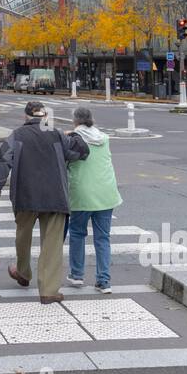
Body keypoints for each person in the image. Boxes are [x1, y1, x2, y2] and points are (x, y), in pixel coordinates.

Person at [0, 100, 89, 303]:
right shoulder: (57, 134)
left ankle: (23, 272)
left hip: (25, 194)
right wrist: (75, 136)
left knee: (23, 236)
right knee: (52, 243)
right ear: (44, 116)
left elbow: (4, 159)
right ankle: (49, 290)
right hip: (54, 195)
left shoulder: (17, 135)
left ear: (25, 116)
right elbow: (80, 152)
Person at [64, 107, 122, 293]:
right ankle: (104, 281)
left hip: (82, 192)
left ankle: (77, 274)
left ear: (75, 121)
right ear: (91, 120)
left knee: (77, 233)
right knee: (103, 238)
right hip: (106, 192)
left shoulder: (72, 139)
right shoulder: (104, 138)